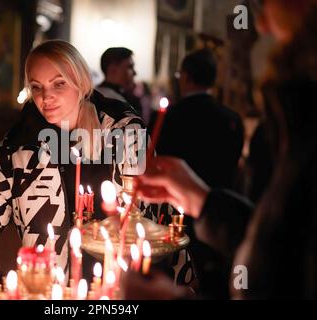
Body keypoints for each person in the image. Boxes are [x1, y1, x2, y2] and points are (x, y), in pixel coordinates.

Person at [122, 0, 317, 299]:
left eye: (266, 6)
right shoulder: (240, 118)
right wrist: (203, 200)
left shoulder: (296, 119)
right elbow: (284, 248)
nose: (262, 26)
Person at [0, 40, 149, 276]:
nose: (46, 97)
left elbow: (145, 214)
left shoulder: (124, 131)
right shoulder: (22, 142)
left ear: (80, 82)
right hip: (48, 285)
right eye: (37, 87)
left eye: (58, 84)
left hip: (120, 283)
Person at [150, 48, 244, 298]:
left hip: (174, 214)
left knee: (177, 275)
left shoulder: (171, 117)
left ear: (186, 78)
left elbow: (155, 162)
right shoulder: (231, 119)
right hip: (220, 215)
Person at [96, 47, 142, 115]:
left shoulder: (97, 95)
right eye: (130, 67)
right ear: (112, 69)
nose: (135, 73)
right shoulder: (108, 101)